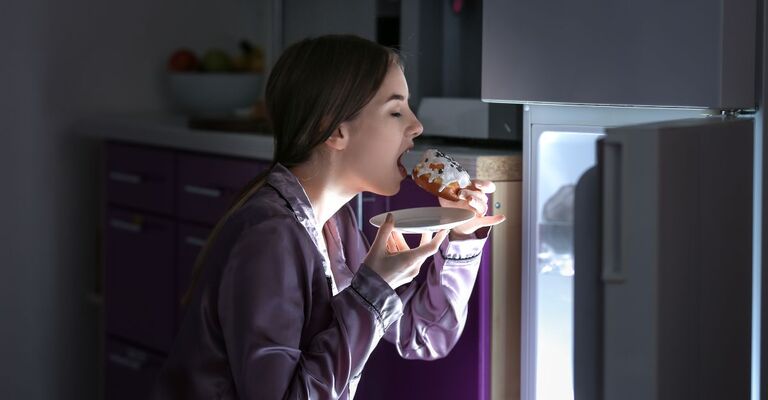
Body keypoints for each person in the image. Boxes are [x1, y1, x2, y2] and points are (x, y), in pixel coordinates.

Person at [150, 34, 506, 400]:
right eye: (396, 111)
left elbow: (425, 336)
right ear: (335, 130)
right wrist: (374, 290)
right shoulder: (272, 237)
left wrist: (460, 236)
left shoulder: (336, 224)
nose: (416, 126)